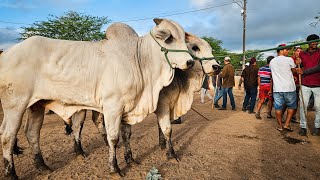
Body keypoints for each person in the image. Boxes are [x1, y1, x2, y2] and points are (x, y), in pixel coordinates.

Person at [269, 44, 300, 132]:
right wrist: (297, 65)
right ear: (281, 50)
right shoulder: (289, 59)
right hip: (289, 87)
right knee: (291, 106)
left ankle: (280, 126)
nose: (288, 51)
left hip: (277, 88)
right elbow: (294, 71)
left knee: (278, 108)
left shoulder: (272, 61)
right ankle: (286, 124)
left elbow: (275, 73)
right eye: (287, 50)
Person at [297, 34, 320, 136]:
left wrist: (304, 71)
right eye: (313, 41)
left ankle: (317, 127)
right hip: (305, 84)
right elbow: (301, 67)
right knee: (303, 106)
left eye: (317, 41)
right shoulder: (302, 54)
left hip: (318, 84)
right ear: (308, 43)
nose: (316, 43)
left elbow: (319, 67)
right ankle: (303, 127)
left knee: (318, 107)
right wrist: (299, 63)